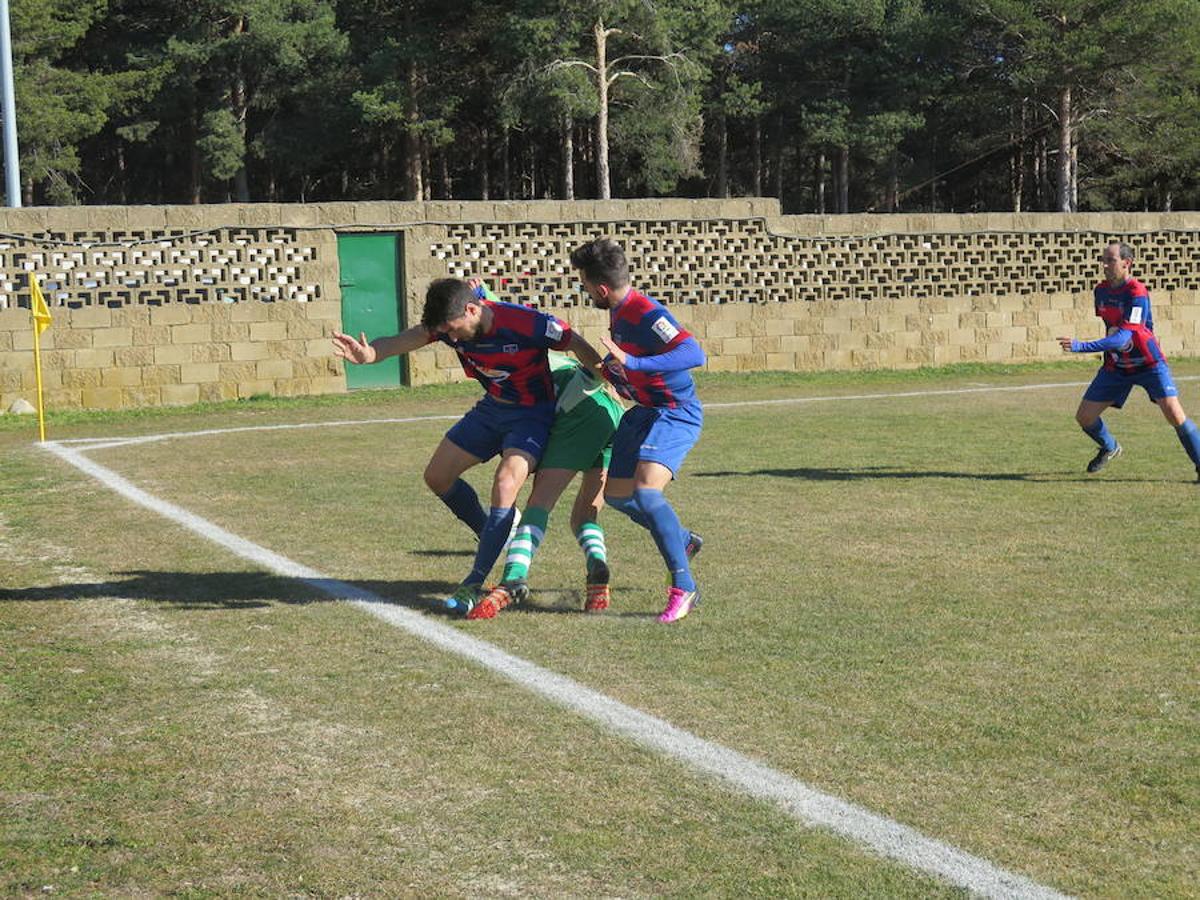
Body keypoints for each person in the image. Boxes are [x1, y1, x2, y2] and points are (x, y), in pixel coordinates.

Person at [332, 277, 603, 615]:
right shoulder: (447, 326)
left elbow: (575, 342)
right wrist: (372, 352)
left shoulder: (526, 323)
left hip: (532, 416)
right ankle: (491, 533)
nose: (452, 337)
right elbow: (410, 338)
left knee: (505, 484)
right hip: (492, 409)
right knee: (437, 477)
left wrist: (607, 376)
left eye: (455, 329)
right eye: (446, 331)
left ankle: (475, 581)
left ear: (473, 309)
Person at [570, 237, 706, 624]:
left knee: (646, 493)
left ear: (600, 288)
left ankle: (684, 585)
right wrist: (618, 375)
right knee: (616, 496)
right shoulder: (618, 312)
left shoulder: (645, 311)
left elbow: (694, 354)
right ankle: (682, 540)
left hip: (675, 413)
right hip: (643, 413)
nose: (585, 293)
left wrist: (630, 360)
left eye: (584, 287)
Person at [468, 350, 625, 620]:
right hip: (613, 411)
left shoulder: (516, 363)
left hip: (579, 411)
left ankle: (513, 577)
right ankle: (597, 569)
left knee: (539, 503)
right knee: (585, 514)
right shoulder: (549, 352)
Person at [1057, 241, 1200, 481]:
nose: (1104, 265)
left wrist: (1081, 345)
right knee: (1085, 417)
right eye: (1103, 260)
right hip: (1117, 367)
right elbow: (1111, 330)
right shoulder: (1100, 291)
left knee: (1174, 414)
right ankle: (1110, 446)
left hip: (1148, 363)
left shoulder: (1137, 292)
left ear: (1127, 263)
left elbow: (1124, 335)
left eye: (1110, 260)